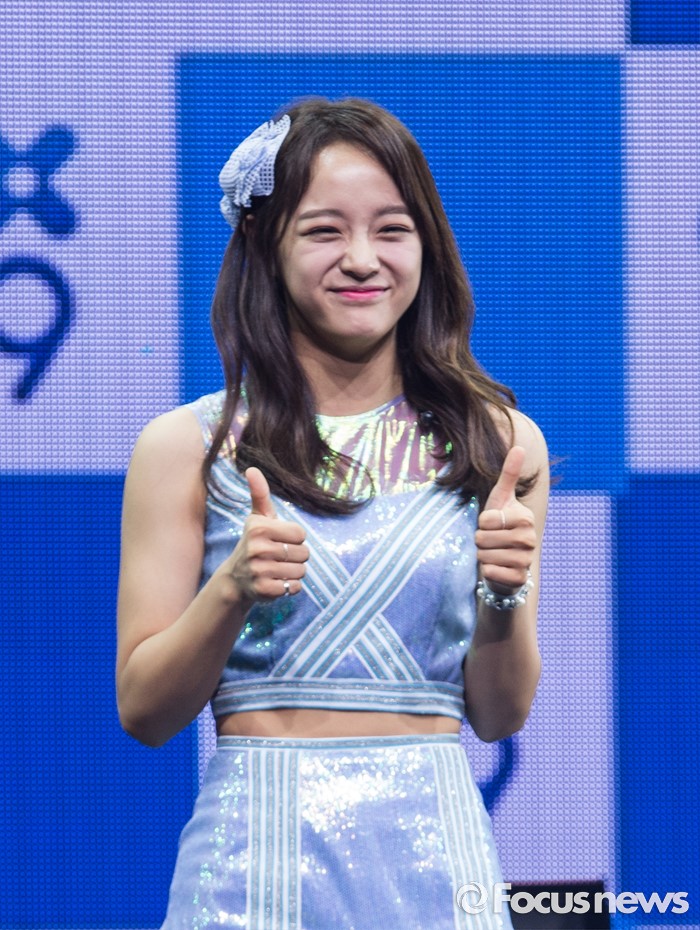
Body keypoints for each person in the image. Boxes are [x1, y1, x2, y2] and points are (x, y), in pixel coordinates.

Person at [116, 96, 549, 929]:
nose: (361, 259)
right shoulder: (186, 447)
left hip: (436, 867)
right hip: (254, 870)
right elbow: (143, 711)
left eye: (392, 230)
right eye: (324, 231)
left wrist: (504, 594)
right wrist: (231, 589)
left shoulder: (498, 443)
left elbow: (498, 716)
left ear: (427, 245)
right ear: (265, 243)